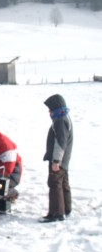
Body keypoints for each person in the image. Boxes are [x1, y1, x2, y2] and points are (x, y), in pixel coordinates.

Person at [40, 94, 73, 223]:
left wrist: (56, 161)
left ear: (56, 108)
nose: (49, 112)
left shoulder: (60, 121)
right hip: (64, 160)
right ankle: (66, 209)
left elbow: (60, 143)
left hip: (58, 160)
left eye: (50, 109)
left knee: (55, 184)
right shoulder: (64, 117)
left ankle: (56, 213)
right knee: (63, 183)